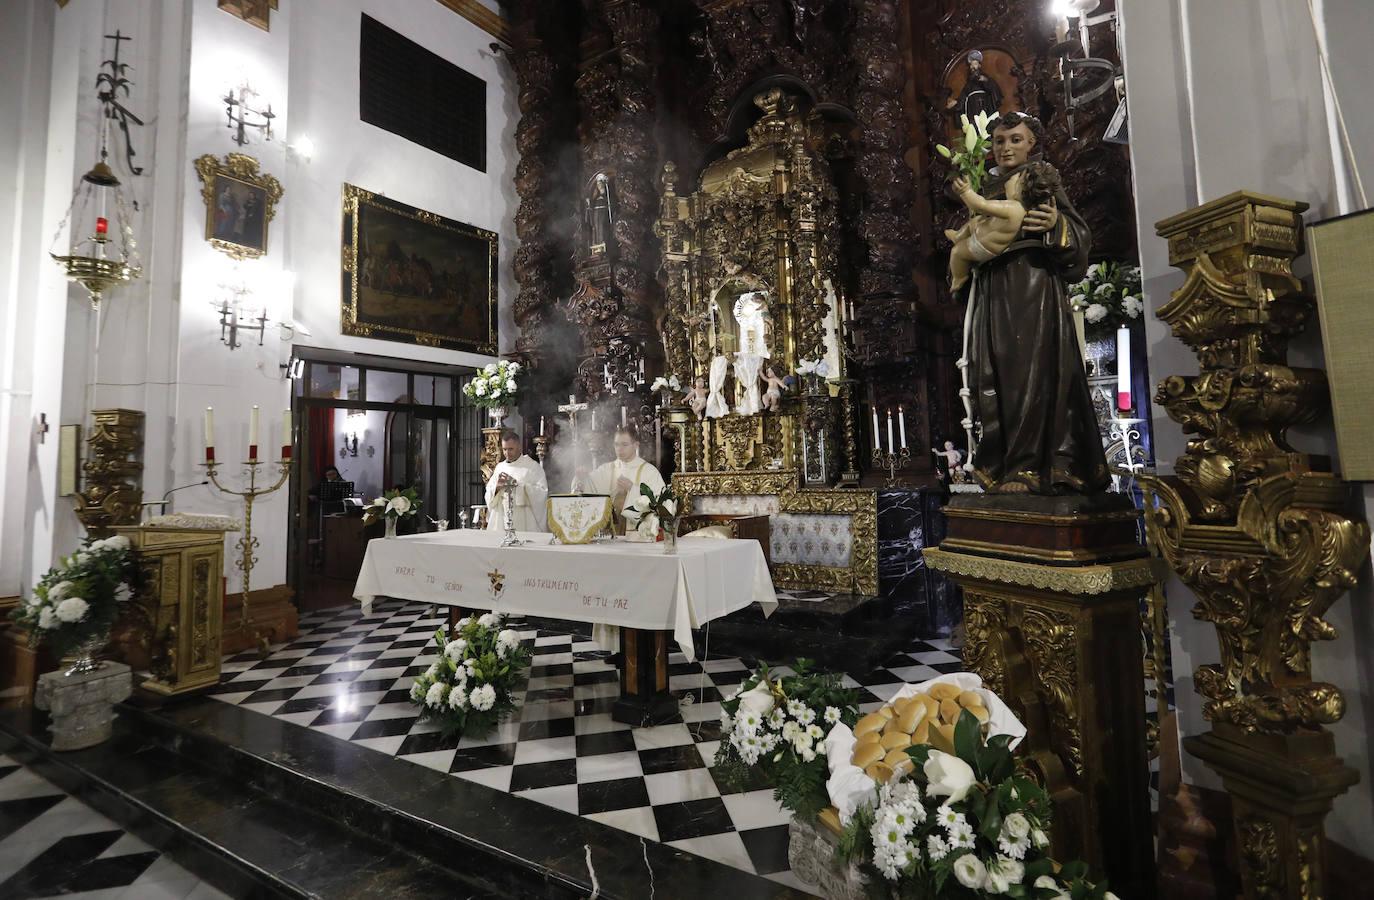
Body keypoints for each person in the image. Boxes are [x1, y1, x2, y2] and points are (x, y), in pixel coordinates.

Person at [961, 112, 1109, 494]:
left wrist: (1055, 225)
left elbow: (1079, 235)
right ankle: (1005, 464)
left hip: (1032, 284)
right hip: (993, 289)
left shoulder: (1038, 178)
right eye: (999, 140)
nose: (1006, 147)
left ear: (1031, 144)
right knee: (996, 375)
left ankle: (1031, 467)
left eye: (1015, 139)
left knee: (1030, 373)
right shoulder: (985, 185)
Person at [945, 162, 1062, 290]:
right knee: (974, 222)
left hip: (981, 245)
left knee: (957, 252)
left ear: (1022, 189)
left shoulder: (1013, 208)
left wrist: (965, 191)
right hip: (983, 231)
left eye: (1018, 178)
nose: (1012, 178)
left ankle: (959, 278)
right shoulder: (1024, 209)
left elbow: (980, 206)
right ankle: (957, 236)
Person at [576, 425, 664, 535]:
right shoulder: (606, 469)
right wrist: (583, 479)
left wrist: (632, 489)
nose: (619, 449)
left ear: (636, 445)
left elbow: (659, 504)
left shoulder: (649, 471)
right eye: (616, 444)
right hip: (610, 535)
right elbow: (588, 490)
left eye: (624, 445)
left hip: (638, 536)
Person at [483, 430, 549, 532]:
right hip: (502, 519)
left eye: (510, 449)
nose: (507, 453)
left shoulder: (532, 466)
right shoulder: (500, 467)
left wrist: (517, 485)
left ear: (519, 447)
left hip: (524, 520)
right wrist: (497, 487)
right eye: (504, 449)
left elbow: (542, 493)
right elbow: (489, 492)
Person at [946, 50, 1003, 123]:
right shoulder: (969, 84)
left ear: (979, 65)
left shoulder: (985, 78)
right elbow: (963, 97)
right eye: (971, 65)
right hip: (972, 110)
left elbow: (993, 90)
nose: (972, 67)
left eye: (975, 64)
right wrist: (956, 102)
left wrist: (985, 80)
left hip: (984, 107)